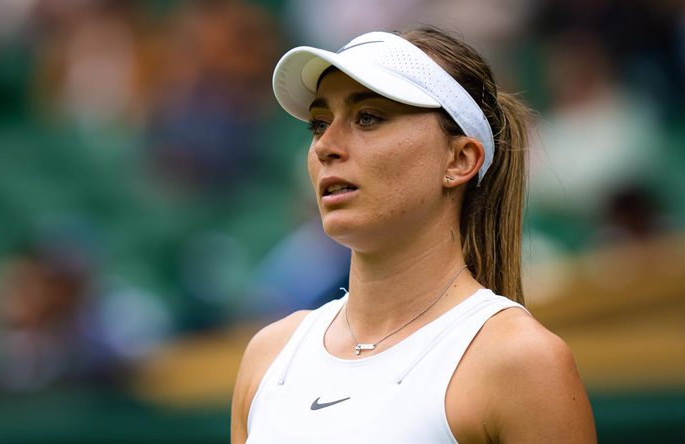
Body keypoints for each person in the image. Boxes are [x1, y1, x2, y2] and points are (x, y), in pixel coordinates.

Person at [231, 25, 596, 443]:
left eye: (368, 117)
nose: (324, 146)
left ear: (460, 159)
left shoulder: (522, 360)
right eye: (318, 123)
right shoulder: (269, 355)